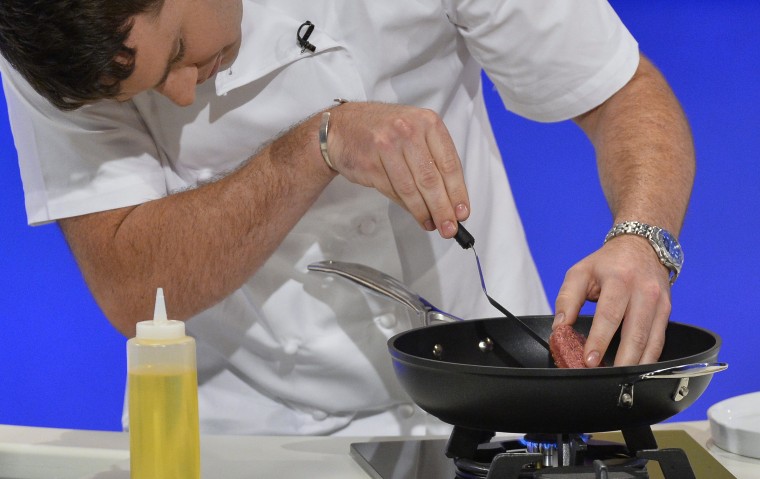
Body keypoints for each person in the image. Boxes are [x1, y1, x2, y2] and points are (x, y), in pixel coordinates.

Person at [0, 0, 694, 436]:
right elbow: (132, 281)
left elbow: (620, 93)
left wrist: (642, 239)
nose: (181, 94)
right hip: (242, 430)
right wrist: (315, 145)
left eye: (179, 52)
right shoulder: (42, 30)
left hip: (487, 399)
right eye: (147, 91)